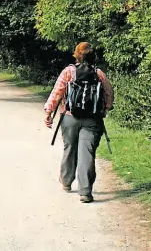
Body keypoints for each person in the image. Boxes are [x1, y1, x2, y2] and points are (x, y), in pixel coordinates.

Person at [44, 42, 114, 203]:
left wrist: (48, 112)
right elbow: (109, 94)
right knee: (87, 153)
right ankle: (85, 192)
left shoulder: (69, 71)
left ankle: (66, 181)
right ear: (92, 56)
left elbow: (57, 92)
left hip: (69, 118)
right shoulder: (99, 73)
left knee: (70, 148)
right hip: (92, 120)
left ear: (76, 55)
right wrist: (106, 108)